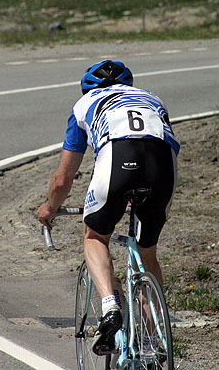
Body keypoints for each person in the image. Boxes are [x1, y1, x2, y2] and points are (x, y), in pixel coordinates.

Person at [38, 59, 179, 356]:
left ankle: (110, 308)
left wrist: (50, 208)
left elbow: (63, 179)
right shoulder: (151, 97)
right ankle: (152, 342)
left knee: (94, 237)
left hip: (118, 155)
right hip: (162, 162)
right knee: (147, 253)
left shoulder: (84, 105)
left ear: (87, 87)